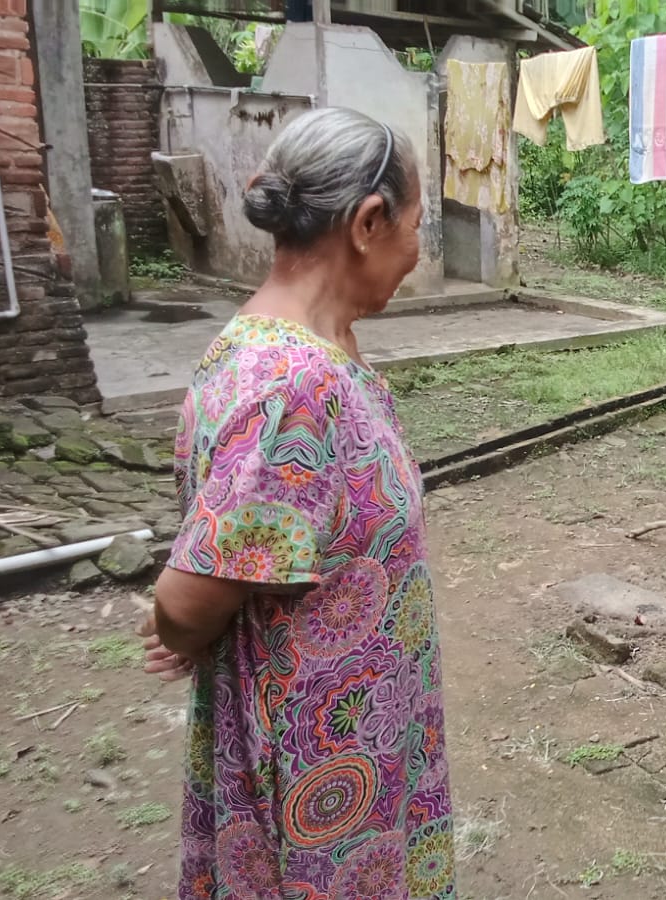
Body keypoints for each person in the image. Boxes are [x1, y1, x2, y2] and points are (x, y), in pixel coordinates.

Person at [137, 106, 455, 899]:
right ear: (368, 221)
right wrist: (185, 624)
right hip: (319, 762)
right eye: (416, 226)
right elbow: (187, 598)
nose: (418, 255)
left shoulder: (313, 346)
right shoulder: (295, 390)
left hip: (357, 736)